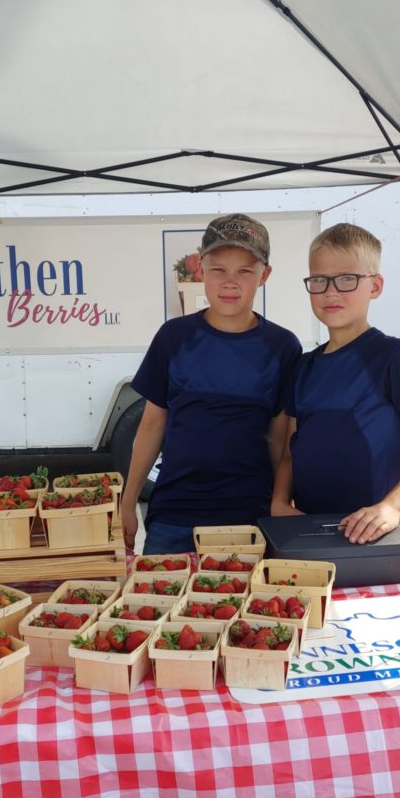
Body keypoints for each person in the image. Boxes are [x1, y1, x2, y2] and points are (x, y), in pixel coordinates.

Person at [122, 213, 302, 555]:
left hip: (250, 517)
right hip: (174, 515)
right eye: (218, 269)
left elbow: (281, 440)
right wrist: (128, 502)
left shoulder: (283, 346)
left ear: (264, 275)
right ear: (201, 270)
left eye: (244, 271)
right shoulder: (173, 337)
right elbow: (151, 426)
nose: (229, 282)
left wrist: (280, 504)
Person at [272, 221, 400, 546]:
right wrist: (280, 502)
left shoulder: (392, 357)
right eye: (319, 280)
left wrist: (392, 508)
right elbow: (290, 451)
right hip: (310, 530)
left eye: (347, 279)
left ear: (375, 286)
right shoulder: (304, 366)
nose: (331, 291)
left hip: (376, 534)